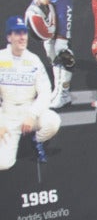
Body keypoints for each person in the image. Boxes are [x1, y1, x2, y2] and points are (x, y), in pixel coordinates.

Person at [0, 16, 61, 169]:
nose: (22, 37)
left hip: (29, 111)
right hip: (7, 114)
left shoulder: (34, 60)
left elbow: (45, 91)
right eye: (17, 33)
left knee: (53, 122)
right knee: (3, 164)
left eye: (24, 33)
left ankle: (37, 140)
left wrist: (32, 114)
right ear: (9, 37)